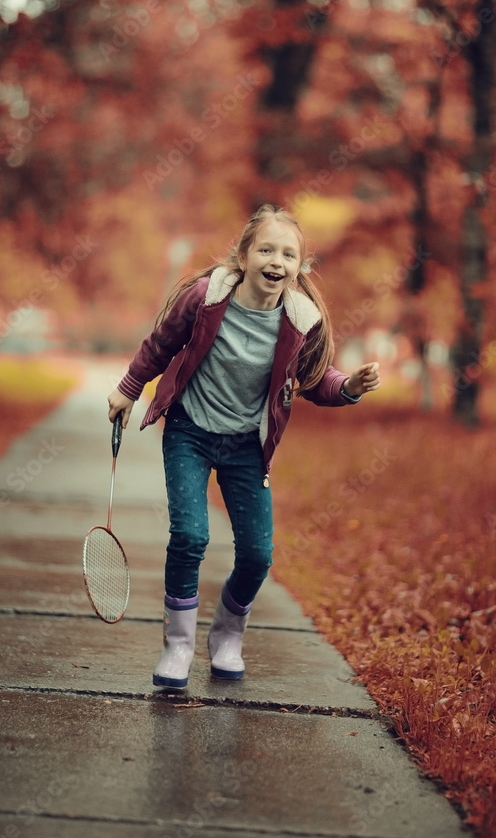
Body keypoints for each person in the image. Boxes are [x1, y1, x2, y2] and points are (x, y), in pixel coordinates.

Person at [107, 204, 380, 689]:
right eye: (267, 250)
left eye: (289, 254)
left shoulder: (300, 319)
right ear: (243, 256)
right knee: (191, 537)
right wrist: (129, 389)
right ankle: (178, 647)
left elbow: (317, 380)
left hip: (246, 447)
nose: (277, 260)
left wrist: (351, 387)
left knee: (257, 555)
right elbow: (161, 343)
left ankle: (228, 636)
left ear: (299, 267)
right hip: (190, 431)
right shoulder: (206, 297)